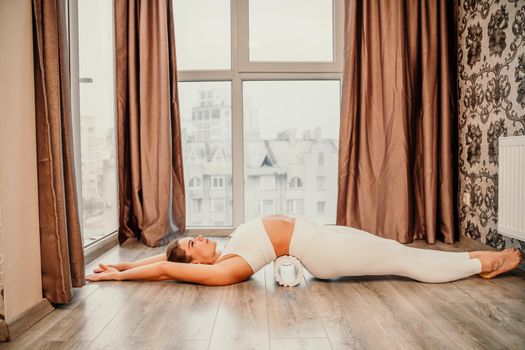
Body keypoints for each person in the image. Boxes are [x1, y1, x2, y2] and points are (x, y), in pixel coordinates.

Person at [86, 215, 523, 285]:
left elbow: (164, 259)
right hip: (326, 254)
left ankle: (474, 262)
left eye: (192, 237)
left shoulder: (227, 249)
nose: (198, 239)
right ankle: (482, 263)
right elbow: (168, 270)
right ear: (196, 261)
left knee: (394, 247)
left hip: (323, 234)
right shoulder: (227, 268)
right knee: (403, 262)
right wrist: (122, 279)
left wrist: (123, 263)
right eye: (192, 245)